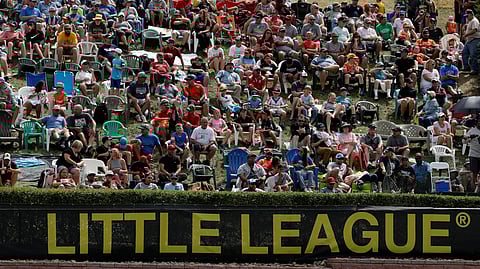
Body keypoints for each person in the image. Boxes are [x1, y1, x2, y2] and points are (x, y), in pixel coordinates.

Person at [462, 9, 480, 75]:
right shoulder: (470, 21)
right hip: (469, 40)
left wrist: (466, 34)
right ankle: (466, 67)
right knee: (464, 53)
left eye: (467, 15)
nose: (467, 17)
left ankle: (475, 70)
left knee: (473, 55)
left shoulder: (474, 21)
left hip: (475, 39)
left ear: (471, 14)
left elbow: (474, 30)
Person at [466, 120, 480, 192]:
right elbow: (464, 141)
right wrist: (470, 137)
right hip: (473, 155)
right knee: (474, 173)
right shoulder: (472, 131)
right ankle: (474, 189)